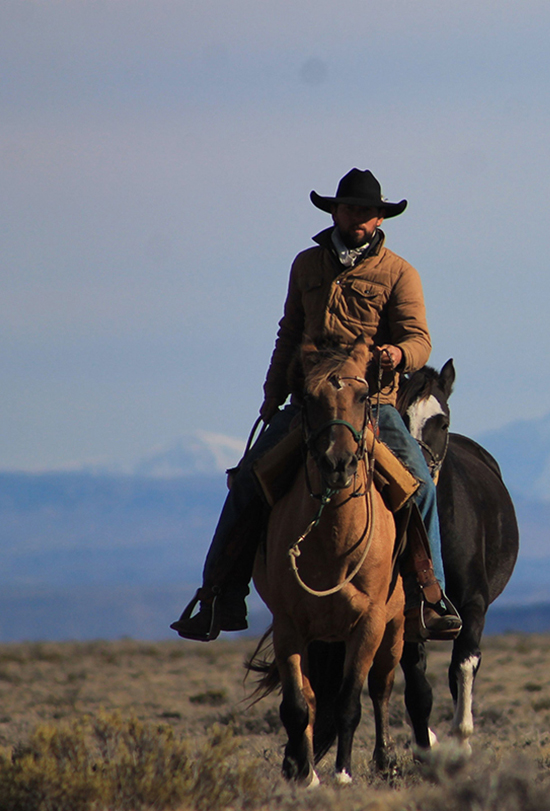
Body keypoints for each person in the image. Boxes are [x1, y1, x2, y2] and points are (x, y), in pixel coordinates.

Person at [171, 168, 461, 642]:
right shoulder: (306, 265)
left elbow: (419, 339)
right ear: (335, 212)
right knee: (247, 481)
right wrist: (272, 393)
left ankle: (430, 596)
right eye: (350, 209)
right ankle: (218, 595)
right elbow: (288, 332)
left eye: (367, 212)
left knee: (421, 485)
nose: (358, 218)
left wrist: (399, 354)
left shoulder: (399, 273)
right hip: (310, 403)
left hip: (372, 404)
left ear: (380, 217)